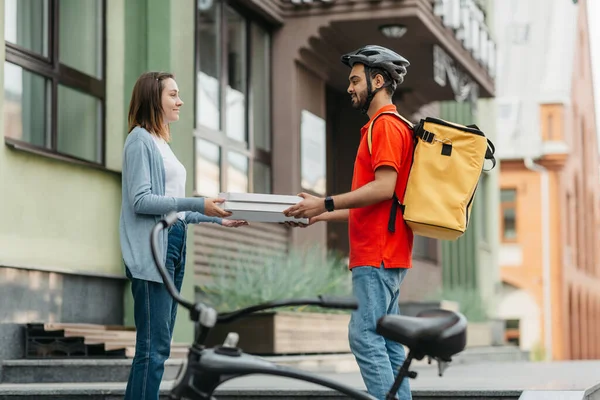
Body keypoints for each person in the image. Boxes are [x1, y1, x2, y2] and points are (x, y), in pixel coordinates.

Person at [283, 45, 414, 400]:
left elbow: (384, 189)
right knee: (386, 342)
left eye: (356, 80)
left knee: (364, 336)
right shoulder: (384, 126)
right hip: (385, 252)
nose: (350, 88)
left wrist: (324, 201)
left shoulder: (385, 126)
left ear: (378, 80)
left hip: (377, 254)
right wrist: (319, 212)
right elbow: (369, 203)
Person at [120, 71, 247, 400]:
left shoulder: (162, 143)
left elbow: (173, 210)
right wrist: (199, 201)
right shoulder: (140, 140)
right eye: (173, 95)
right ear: (154, 98)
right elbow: (141, 201)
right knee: (154, 348)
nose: (180, 101)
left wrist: (216, 218)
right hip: (153, 251)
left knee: (157, 347)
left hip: (173, 244)